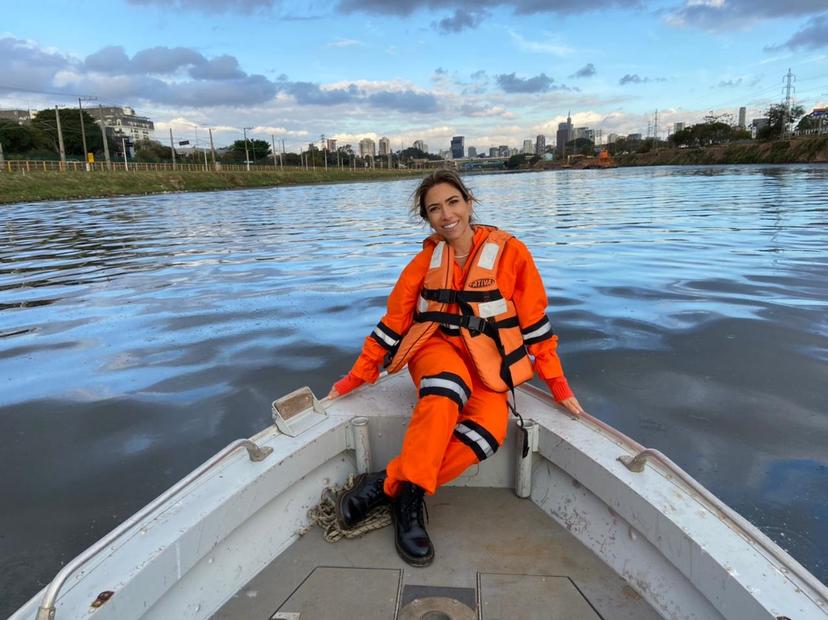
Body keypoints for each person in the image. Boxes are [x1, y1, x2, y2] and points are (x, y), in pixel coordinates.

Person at [327, 169, 584, 566]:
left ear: (468, 203)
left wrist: (559, 384)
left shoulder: (512, 253)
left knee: (488, 433)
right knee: (446, 388)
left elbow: (535, 325)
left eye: (452, 202)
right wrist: (354, 378)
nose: (446, 215)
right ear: (426, 218)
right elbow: (393, 323)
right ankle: (410, 511)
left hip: (487, 361)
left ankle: (392, 486)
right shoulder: (422, 263)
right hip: (435, 348)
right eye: (434, 209)